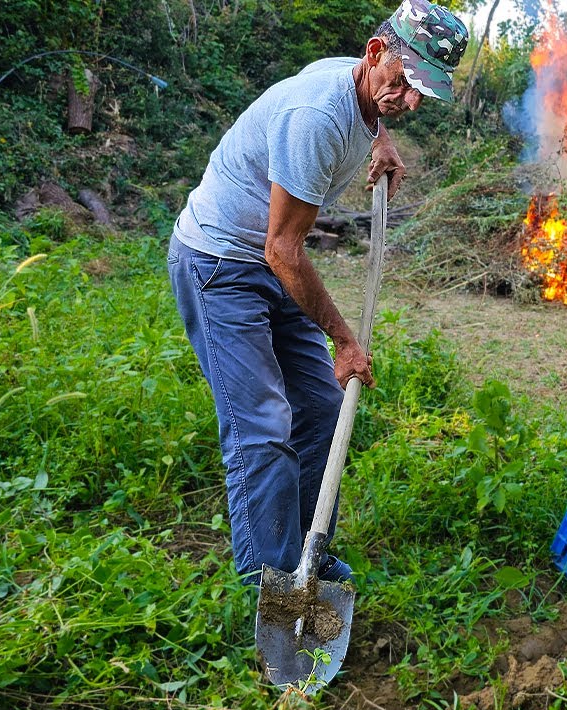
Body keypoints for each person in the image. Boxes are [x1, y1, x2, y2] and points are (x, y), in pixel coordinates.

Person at [166, 0, 468, 585]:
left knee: (321, 408)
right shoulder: (315, 118)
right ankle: (267, 584)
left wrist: (379, 138)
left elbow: (364, 107)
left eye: (421, 95)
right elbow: (282, 250)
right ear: (376, 52)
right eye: (406, 85)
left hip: (273, 261)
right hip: (221, 265)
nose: (409, 103)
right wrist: (345, 339)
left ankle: (303, 551)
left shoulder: (354, 81)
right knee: (262, 427)